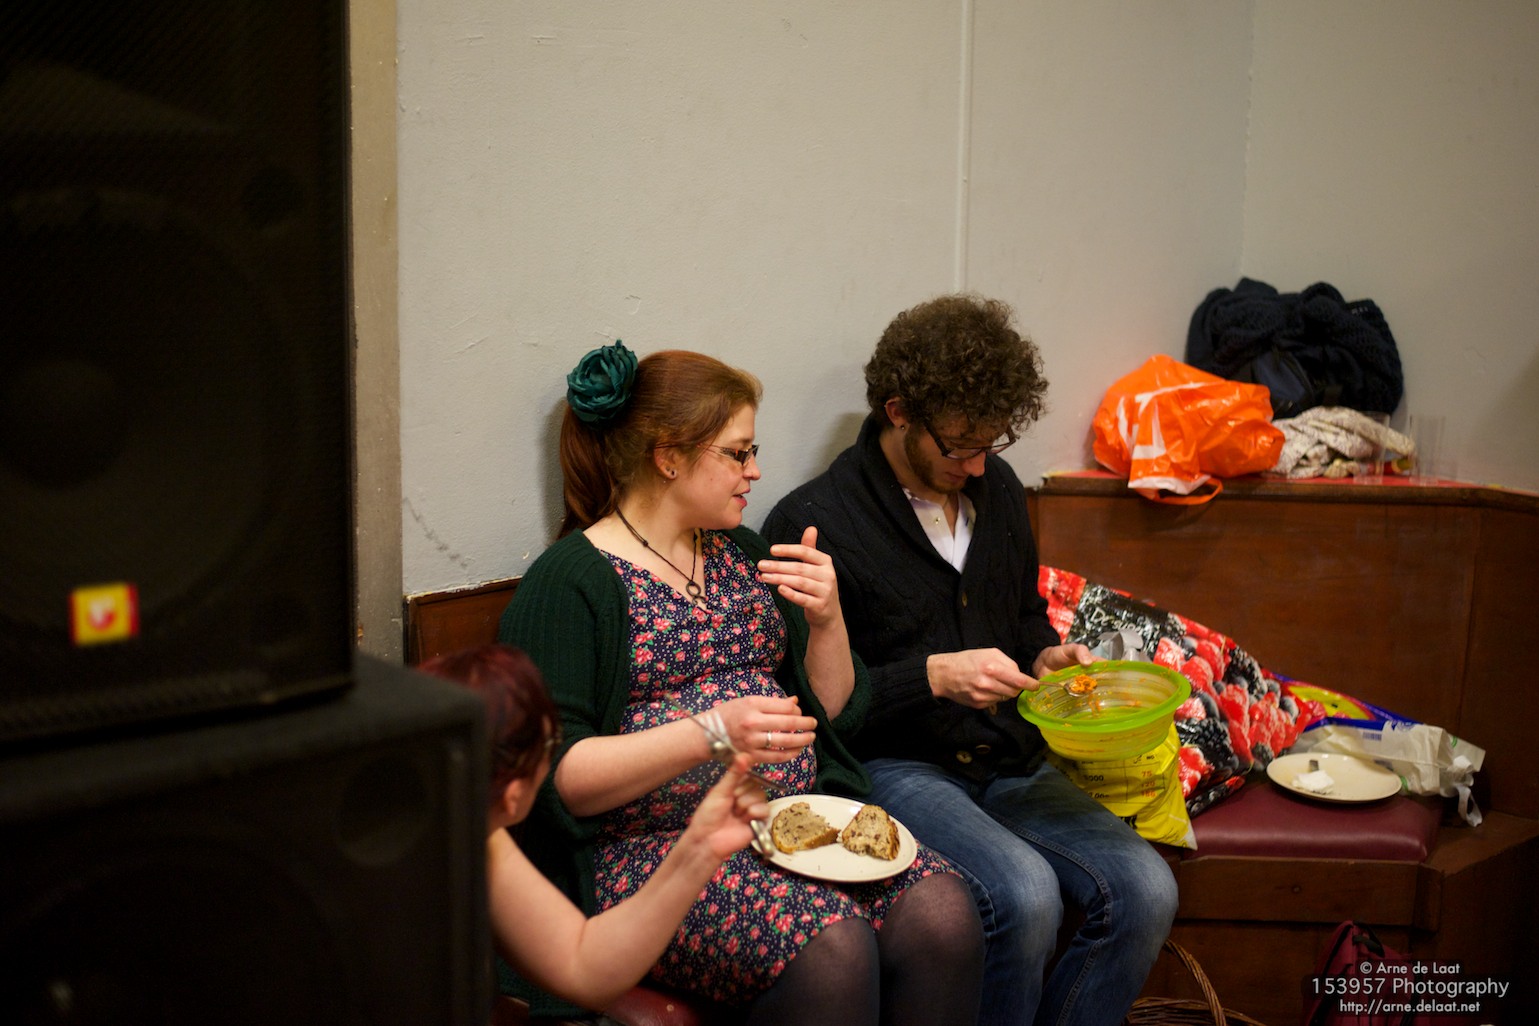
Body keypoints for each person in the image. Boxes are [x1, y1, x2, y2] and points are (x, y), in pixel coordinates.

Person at [496, 342, 985, 1026]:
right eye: (737, 453)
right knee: (833, 947)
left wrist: (827, 620)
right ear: (668, 457)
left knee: (945, 913)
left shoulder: (743, 553)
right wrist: (711, 733)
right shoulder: (572, 581)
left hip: (787, 822)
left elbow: (831, 713)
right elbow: (556, 778)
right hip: (650, 851)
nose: (755, 471)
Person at [762, 294, 1179, 1026]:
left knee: (1147, 892)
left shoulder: (998, 490)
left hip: (1009, 756)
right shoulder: (815, 521)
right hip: (895, 765)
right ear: (898, 412)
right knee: (1024, 896)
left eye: (993, 443)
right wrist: (932, 676)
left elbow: (1021, 617)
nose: (979, 464)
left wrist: (1046, 657)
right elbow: (813, 709)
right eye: (959, 447)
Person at [417, 642, 770, 1012]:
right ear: (513, 796)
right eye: (551, 743)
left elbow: (582, 965)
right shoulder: (470, 841)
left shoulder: (475, 823)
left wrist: (701, 847)